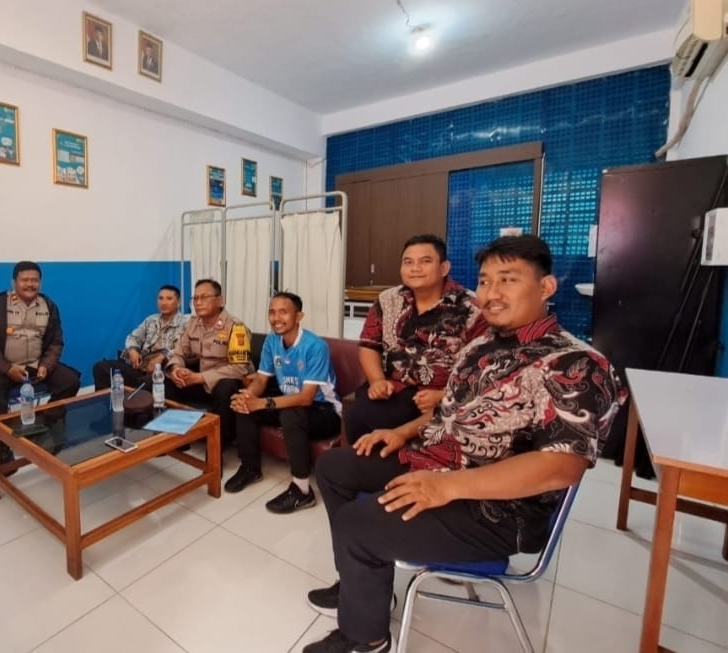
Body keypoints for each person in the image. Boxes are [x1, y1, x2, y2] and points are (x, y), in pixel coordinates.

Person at [302, 235, 625, 653]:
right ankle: (359, 581)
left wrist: (447, 487)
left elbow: (561, 466)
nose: (491, 293)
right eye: (486, 281)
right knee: (335, 468)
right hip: (437, 461)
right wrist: (403, 432)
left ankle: (366, 638)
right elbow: (450, 414)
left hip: (497, 507)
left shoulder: (575, 364)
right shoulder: (480, 348)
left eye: (508, 280)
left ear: (545, 287)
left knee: (356, 523)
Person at [346, 234, 481, 445]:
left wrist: (444, 395)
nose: (415, 268)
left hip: (445, 395)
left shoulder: (471, 307)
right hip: (394, 387)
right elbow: (369, 345)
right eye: (408, 262)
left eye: (425, 261)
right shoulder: (388, 299)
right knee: (359, 415)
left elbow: (480, 366)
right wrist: (377, 380)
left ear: (444, 268)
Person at [224, 292, 342, 513]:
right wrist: (247, 396)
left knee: (290, 413)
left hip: (324, 410)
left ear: (298, 316)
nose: (276, 318)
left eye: (283, 312)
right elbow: (261, 380)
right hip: (290, 403)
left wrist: (262, 403)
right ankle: (250, 468)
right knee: (245, 405)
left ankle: (302, 491)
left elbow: (306, 397)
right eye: (272, 312)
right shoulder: (272, 341)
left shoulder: (315, 346)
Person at [0, 261, 81, 492]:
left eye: (35, 280)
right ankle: (2, 459)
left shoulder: (49, 305)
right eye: (25, 280)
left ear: (40, 282)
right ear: (14, 282)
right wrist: (7, 368)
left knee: (70, 380)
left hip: (37, 366)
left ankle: (43, 424)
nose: (30, 284)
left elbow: (56, 342)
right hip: (4, 368)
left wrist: (47, 364)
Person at [165, 279, 253, 446]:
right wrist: (177, 369)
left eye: (204, 297)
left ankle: (218, 445)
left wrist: (200, 377)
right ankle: (175, 438)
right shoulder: (192, 324)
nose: (198, 302)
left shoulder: (236, 327)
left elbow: (240, 368)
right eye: (195, 298)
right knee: (167, 380)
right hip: (201, 381)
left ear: (220, 301)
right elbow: (179, 353)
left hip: (227, 382)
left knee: (226, 387)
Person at [92, 285, 185, 390]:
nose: (163, 302)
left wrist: (163, 356)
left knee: (145, 382)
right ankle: (108, 400)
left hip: (162, 371)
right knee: (100, 367)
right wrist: (132, 350)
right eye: (160, 298)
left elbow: (184, 349)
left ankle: (137, 395)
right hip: (141, 367)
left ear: (178, 302)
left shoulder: (185, 323)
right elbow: (133, 337)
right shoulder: (151, 320)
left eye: (169, 298)